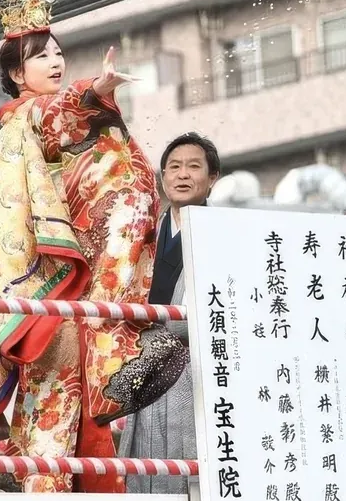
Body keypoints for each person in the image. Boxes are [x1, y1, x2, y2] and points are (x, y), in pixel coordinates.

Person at [0, 0, 187, 493]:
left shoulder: (55, 126)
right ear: (16, 73)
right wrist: (94, 91)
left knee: (71, 416)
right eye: (40, 56)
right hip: (57, 283)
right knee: (54, 410)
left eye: (58, 53)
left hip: (79, 279)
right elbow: (60, 114)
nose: (55, 62)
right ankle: (53, 454)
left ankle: (100, 381)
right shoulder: (24, 119)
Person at [119, 132, 219, 494]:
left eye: (194, 167)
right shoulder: (141, 233)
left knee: (192, 469)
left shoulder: (222, 236)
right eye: (174, 167)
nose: (183, 174)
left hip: (198, 368)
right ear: (163, 177)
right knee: (143, 462)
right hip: (143, 366)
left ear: (212, 178)